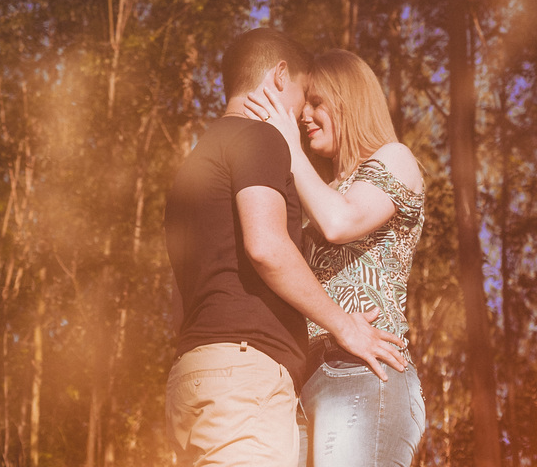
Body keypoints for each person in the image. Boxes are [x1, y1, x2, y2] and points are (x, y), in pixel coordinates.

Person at [165, 28, 406, 467]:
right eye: (303, 95)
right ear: (279, 77)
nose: (302, 114)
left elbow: (180, 298)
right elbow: (267, 247)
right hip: (243, 376)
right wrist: (344, 325)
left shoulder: (195, 164)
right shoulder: (259, 138)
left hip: (193, 377)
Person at [246, 49, 426, 467]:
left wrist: (288, 145)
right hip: (304, 382)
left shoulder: (395, 158)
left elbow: (340, 222)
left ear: (349, 101)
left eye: (316, 103)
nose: (304, 116)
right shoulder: (324, 190)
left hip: (363, 372)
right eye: (303, 106)